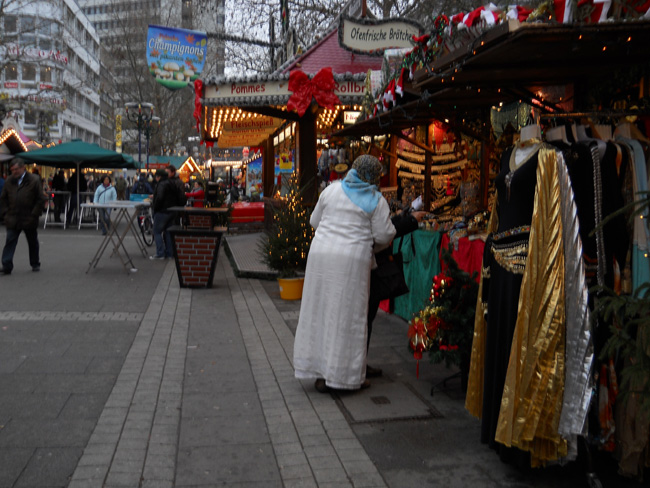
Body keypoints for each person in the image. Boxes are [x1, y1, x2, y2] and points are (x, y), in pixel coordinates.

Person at [293, 155, 396, 393]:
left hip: (320, 257)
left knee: (320, 312)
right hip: (351, 262)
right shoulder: (376, 200)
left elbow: (314, 221)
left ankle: (319, 372)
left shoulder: (331, 190)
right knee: (347, 317)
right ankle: (344, 377)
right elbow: (384, 235)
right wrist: (369, 243)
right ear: (374, 177)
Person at [365, 208, 427, 377]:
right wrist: (411, 221)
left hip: (359, 265)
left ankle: (359, 363)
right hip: (368, 265)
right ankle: (357, 366)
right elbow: (384, 233)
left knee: (365, 318)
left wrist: (400, 217)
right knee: (365, 318)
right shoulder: (370, 202)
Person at [1, 158, 47, 274]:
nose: (14, 172)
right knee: (10, 241)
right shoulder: (9, 181)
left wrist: (34, 214)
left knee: (32, 241)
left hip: (29, 217)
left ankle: (35, 263)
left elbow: (40, 199)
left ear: (23, 168)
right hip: (13, 217)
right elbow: (3, 198)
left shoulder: (34, 180)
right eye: (12, 170)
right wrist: (5, 213)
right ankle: (6, 265)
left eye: (16, 169)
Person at [150, 169, 179, 260]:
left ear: (159, 177)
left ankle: (160, 253)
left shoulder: (161, 184)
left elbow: (160, 197)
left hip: (162, 211)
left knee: (157, 232)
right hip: (172, 211)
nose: (156, 178)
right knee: (168, 232)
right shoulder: (172, 183)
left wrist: (155, 207)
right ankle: (170, 253)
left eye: (156, 176)